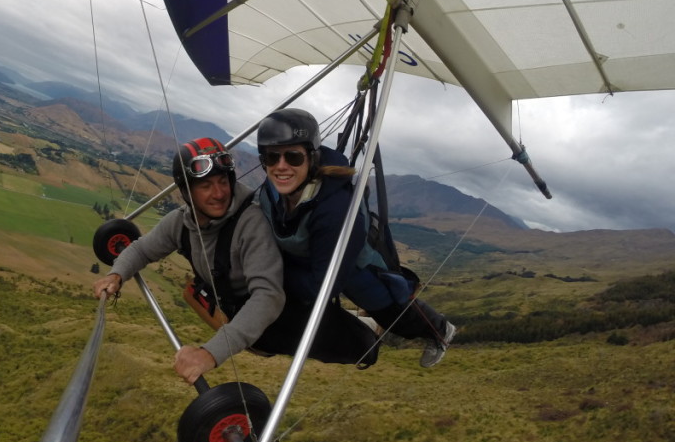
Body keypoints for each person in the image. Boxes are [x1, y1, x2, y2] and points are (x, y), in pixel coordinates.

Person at [254, 107, 457, 367]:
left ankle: (440, 331)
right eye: (272, 157)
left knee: (392, 311)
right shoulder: (271, 191)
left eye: (293, 157)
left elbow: (325, 286)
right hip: (311, 260)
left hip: (358, 270)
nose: (281, 167)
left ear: (312, 157)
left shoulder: (335, 209)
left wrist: (273, 274)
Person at [93, 137, 285, 385]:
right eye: (205, 185)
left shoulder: (251, 223)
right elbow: (141, 249)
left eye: (223, 181)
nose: (219, 193)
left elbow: (268, 295)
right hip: (228, 315)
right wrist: (116, 274)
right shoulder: (182, 222)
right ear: (186, 191)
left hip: (270, 328)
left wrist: (211, 352)